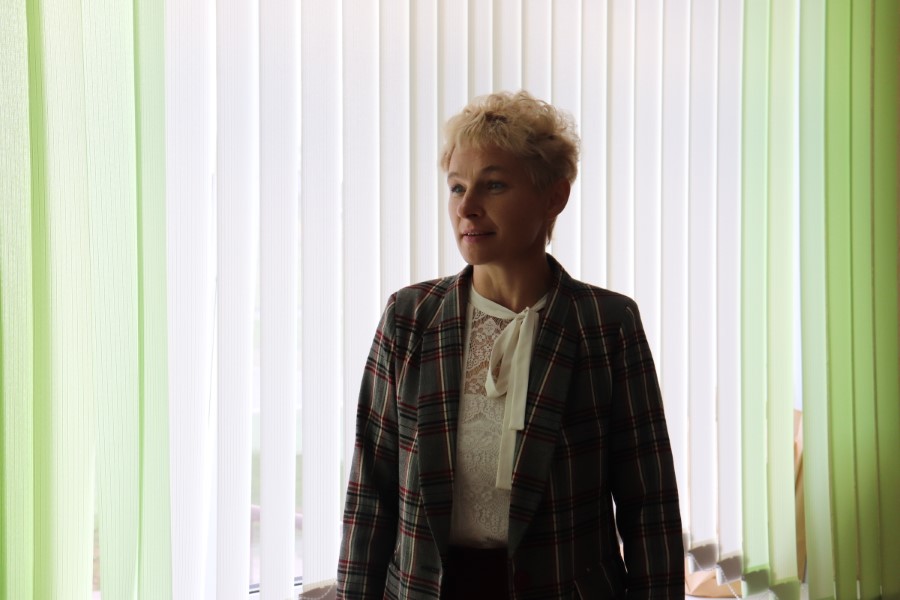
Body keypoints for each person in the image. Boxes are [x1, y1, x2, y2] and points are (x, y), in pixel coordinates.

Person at [337, 90, 683, 599]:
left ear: (554, 197)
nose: (467, 207)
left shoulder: (606, 325)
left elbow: (649, 505)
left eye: (493, 184)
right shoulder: (409, 318)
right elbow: (371, 492)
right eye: (457, 187)